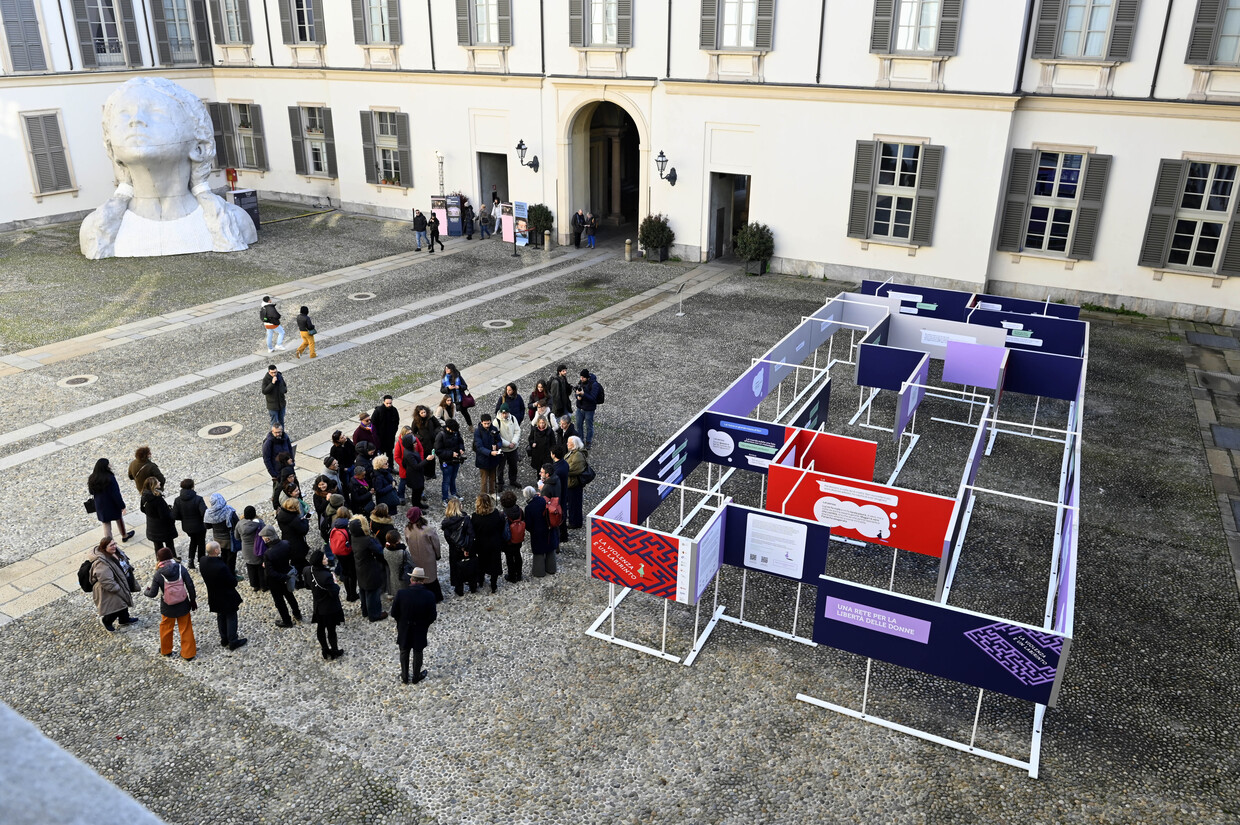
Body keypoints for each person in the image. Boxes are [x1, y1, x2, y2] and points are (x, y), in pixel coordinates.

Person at [79, 76, 256, 259]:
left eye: (156, 112)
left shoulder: (235, 221)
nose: (136, 120)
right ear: (111, 148)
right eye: (124, 114)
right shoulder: (94, 228)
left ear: (198, 147)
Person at [144, 546, 198, 660]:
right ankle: (188, 653)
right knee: (186, 628)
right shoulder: (180, 568)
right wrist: (192, 600)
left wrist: (146, 591)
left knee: (166, 628)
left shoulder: (158, 574)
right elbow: (190, 585)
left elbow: (153, 593)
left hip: (167, 607)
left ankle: (166, 650)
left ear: (159, 559)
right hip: (183, 604)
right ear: (171, 556)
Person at [391, 567, 437, 684]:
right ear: (423, 580)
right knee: (418, 651)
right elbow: (432, 616)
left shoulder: (401, 593)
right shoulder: (429, 595)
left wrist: (400, 622)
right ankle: (416, 676)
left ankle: (404, 676)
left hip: (404, 627)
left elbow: (394, 613)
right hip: (420, 628)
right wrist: (425, 624)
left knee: (404, 651)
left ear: (411, 579)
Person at [200, 541, 247, 651]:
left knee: (220, 616)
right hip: (226, 595)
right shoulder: (221, 567)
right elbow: (233, 582)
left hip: (214, 595)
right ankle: (233, 641)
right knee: (231, 616)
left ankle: (224, 639)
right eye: (219, 548)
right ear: (216, 551)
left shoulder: (203, 561)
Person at [90, 537, 138, 632]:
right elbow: (107, 581)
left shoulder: (115, 552)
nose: (114, 546)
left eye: (114, 543)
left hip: (121, 583)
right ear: (104, 548)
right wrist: (117, 589)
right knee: (117, 605)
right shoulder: (102, 563)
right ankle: (106, 621)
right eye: (111, 545)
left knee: (123, 602)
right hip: (111, 588)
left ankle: (124, 619)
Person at [304, 549, 345, 660]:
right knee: (331, 630)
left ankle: (325, 649)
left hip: (318, 606)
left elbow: (307, 586)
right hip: (329, 608)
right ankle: (334, 651)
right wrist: (335, 582)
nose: (327, 558)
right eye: (324, 558)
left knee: (321, 628)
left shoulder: (307, 570)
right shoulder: (326, 576)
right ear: (320, 562)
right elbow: (334, 592)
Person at [260, 525, 303, 627]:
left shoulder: (268, 554)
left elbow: (270, 572)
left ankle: (287, 621)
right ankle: (297, 614)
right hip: (287, 573)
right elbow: (292, 556)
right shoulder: (286, 543)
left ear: (267, 539)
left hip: (275, 581)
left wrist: (267, 566)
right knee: (290, 596)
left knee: (279, 602)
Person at [88, 458, 134, 543]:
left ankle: (109, 543)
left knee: (106, 524)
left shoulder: (92, 478)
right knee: (119, 519)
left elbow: (91, 492)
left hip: (100, 505)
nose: (110, 465)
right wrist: (122, 506)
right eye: (108, 464)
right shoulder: (110, 478)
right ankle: (124, 536)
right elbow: (116, 494)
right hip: (111, 504)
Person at [351, 519, 388, 622]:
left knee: (363, 590)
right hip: (370, 569)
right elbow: (379, 550)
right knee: (373, 592)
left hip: (360, 568)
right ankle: (374, 615)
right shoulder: (367, 540)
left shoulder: (353, 537)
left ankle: (365, 611)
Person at [404, 507, 443, 602]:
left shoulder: (407, 529)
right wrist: (438, 555)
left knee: (420, 577)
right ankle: (436, 598)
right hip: (428, 557)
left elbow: (408, 543)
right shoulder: (428, 529)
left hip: (415, 558)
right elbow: (436, 544)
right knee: (431, 578)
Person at [471, 494, 506, 593]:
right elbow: (501, 526)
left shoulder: (475, 517)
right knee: (495, 563)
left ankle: (481, 580)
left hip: (481, 544)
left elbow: (473, 531)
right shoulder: (496, 514)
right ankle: (493, 584)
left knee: (481, 562)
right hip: (495, 543)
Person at [441, 497, 476, 597]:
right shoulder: (466, 519)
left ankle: (459, 589)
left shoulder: (446, 522)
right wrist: (466, 548)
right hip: (466, 547)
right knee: (470, 566)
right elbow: (471, 534)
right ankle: (472, 586)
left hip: (454, 549)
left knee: (456, 569)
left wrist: (457, 546)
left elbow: (448, 537)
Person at [170, 478, 207, 568]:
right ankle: (201, 561)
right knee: (201, 543)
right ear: (192, 487)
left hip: (187, 527)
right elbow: (204, 513)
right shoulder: (198, 499)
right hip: (199, 526)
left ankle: (191, 560)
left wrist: (183, 518)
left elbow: (174, 515)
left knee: (193, 540)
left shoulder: (177, 500)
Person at [523, 486, 559, 577]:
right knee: (550, 550)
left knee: (538, 552)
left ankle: (539, 572)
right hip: (549, 529)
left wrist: (532, 530)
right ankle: (551, 569)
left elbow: (528, 525)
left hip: (537, 533)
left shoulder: (529, 508)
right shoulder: (544, 500)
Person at [140, 477, 178, 555]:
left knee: (158, 545)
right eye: (157, 482)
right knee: (169, 544)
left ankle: (160, 559)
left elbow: (142, 509)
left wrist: (151, 514)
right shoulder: (157, 499)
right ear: (153, 486)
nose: (159, 482)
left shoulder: (144, 495)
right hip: (163, 527)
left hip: (152, 526)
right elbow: (164, 515)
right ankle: (172, 558)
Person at [203, 493, 239, 573]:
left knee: (223, 555)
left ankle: (224, 571)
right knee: (231, 558)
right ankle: (231, 574)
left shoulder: (209, 513)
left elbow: (207, 526)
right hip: (229, 539)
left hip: (217, 539)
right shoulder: (229, 510)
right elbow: (237, 523)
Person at [329, 505, 358, 602]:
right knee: (352, 574)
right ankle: (353, 595)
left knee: (345, 572)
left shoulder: (334, 524)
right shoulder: (349, 525)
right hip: (348, 552)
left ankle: (348, 594)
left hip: (338, 551)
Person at [276, 497, 311, 574]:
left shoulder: (281, 515)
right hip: (297, 544)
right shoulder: (293, 519)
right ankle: (301, 577)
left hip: (286, 539)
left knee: (296, 561)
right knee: (299, 562)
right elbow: (303, 530)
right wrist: (306, 520)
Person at [263, 424, 294, 508]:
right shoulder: (268, 443)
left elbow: (290, 450)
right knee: (278, 490)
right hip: (278, 472)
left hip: (288, 468)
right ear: (272, 432)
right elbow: (267, 459)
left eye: (279, 432)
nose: (278, 434)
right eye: (276, 432)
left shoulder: (285, 438)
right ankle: (277, 507)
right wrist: (273, 474)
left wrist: (292, 463)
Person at [434, 418, 466, 504]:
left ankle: (453, 493)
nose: (454, 432)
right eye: (453, 430)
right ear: (448, 428)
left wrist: (461, 449)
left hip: (456, 460)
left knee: (453, 478)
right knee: (446, 480)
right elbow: (438, 451)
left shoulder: (455, 432)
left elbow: (460, 442)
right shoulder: (441, 435)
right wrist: (451, 454)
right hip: (446, 462)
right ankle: (445, 498)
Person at [396, 425, 428, 507]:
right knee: (403, 482)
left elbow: (420, 449)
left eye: (411, 433)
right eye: (408, 433)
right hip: (406, 468)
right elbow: (397, 457)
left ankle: (420, 495)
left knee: (418, 485)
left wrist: (420, 460)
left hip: (415, 466)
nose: (411, 434)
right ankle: (401, 496)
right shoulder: (399, 443)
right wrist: (404, 465)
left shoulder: (414, 439)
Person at [236, 505, 266, 591]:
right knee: (260, 567)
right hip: (258, 548)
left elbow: (237, 537)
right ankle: (263, 585)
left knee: (250, 567)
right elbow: (265, 533)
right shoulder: (259, 523)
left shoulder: (239, 524)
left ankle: (255, 585)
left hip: (246, 549)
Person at [473, 414, 503, 497]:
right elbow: (479, 447)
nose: (487, 425)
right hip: (483, 459)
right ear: (481, 422)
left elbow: (499, 440)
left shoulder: (494, 429)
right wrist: (490, 452)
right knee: (484, 480)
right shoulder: (477, 432)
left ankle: (492, 492)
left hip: (493, 459)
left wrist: (497, 446)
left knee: (493, 478)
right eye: (485, 423)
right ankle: (484, 496)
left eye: (488, 423)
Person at [565, 436, 591, 530]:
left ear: (574, 444)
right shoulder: (572, 453)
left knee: (574, 504)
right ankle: (573, 520)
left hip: (574, 484)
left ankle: (575, 522)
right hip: (570, 483)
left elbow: (574, 469)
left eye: (569, 443)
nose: (567, 444)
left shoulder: (578, 455)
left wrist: (562, 469)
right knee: (572, 504)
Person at [499, 490, 525, 583]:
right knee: (517, 555)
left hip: (508, 541)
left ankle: (512, 576)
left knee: (509, 557)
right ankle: (519, 574)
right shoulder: (520, 511)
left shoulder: (502, 515)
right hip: (518, 538)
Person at [383, 529, 414, 600]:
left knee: (396, 593)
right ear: (397, 540)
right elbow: (411, 562)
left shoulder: (385, 550)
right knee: (405, 594)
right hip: (403, 576)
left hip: (392, 576)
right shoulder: (402, 552)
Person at [412, 404, 440, 482]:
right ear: (418, 414)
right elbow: (413, 432)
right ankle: (427, 474)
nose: (424, 414)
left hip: (432, 441)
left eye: (424, 412)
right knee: (425, 458)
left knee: (432, 457)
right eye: (422, 413)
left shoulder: (431, 418)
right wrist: (420, 438)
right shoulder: (416, 421)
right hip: (423, 443)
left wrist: (434, 433)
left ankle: (432, 473)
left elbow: (438, 426)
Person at [575, 368, 601, 448]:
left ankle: (588, 441)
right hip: (580, 408)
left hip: (589, 409)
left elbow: (593, 398)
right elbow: (577, 391)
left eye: (583, 377)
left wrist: (583, 394)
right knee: (578, 425)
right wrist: (577, 396)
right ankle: (580, 440)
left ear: (587, 377)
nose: (581, 379)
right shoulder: (581, 382)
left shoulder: (594, 385)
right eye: (580, 377)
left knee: (589, 426)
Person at [550, 447, 571, 544]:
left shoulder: (556, 469)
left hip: (559, 494)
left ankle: (562, 535)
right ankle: (563, 534)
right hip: (564, 491)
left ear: (554, 455)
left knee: (560, 513)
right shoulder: (564, 464)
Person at [496, 409, 521, 489]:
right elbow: (497, 436)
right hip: (502, 449)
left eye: (506, 413)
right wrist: (508, 444)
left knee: (513, 466)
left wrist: (514, 442)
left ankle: (513, 480)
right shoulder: (496, 421)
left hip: (513, 448)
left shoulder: (513, 418)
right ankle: (500, 483)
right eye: (503, 413)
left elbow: (517, 431)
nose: (504, 415)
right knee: (500, 468)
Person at [371, 395, 400, 463]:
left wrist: (393, 432)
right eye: (387, 403)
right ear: (384, 402)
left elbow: (396, 422)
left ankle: (390, 466)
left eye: (390, 403)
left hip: (390, 437)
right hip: (380, 438)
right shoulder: (378, 411)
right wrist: (376, 435)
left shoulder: (394, 410)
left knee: (390, 453)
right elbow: (373, 423)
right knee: (380, 454)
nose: (389, 405)